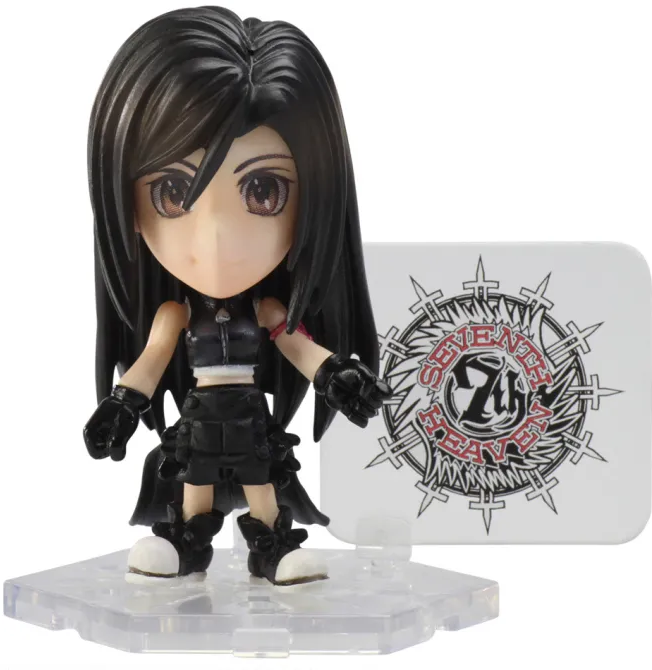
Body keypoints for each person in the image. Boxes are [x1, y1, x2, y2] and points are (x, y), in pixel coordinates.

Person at [83, 5, 391, 586]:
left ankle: (271, 548)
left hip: (249, 413)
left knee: (261, 478)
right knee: (194, 480)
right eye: (172, 193)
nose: (216, 242)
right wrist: (120, 407)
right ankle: (185, 543)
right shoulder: (175, 313)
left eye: (264, 190)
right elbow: (152, 361)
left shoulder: (267, 310)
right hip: (200, 414)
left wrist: (339, 377)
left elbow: (298, 346)